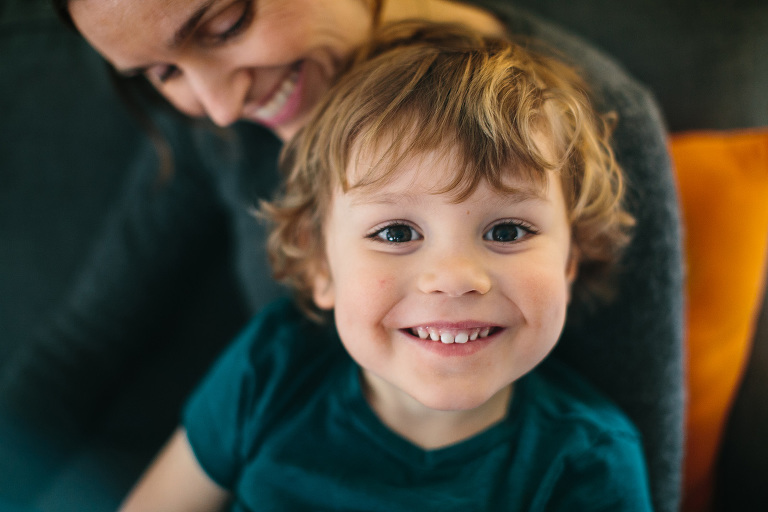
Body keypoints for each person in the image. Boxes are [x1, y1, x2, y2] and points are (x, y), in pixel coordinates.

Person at [0, 1, 683, 511]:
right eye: (161, 71)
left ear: (575, 255)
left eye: (227, 20)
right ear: (313, 260)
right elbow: (82, 350)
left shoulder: (583, 457)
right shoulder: (271, 367)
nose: (216, 104)